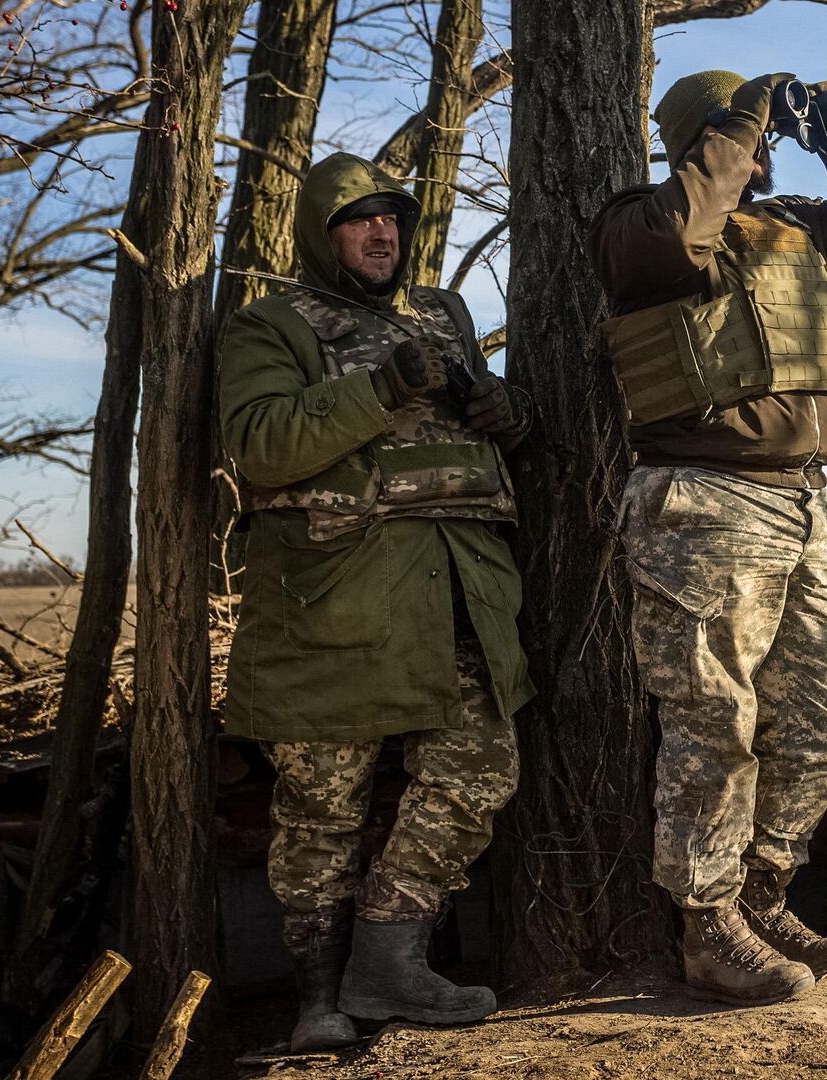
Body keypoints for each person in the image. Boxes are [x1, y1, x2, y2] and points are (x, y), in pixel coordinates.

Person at [586, 70, 827, 1004]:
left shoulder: (791, 228)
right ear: (702, 139)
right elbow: (680, 225)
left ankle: (765, 892)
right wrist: (745, 111)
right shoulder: (641, 225)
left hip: (802, 502)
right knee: (713, 723)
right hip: (702, 498)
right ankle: (708, 928)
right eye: (743, 131)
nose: (764, 141)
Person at [217, 151, 536, 1050]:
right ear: (322, 235)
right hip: (333, 598)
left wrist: (501, 411)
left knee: (480, 769)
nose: (381, 231)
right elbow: (262, 445)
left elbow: (483, 427)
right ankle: (317, 1000)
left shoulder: (442, 313)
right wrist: (382, 386)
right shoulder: (268, 325)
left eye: (391, 216)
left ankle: (387, 959)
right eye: (358, 219)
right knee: (322, 807)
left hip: (459, 587)